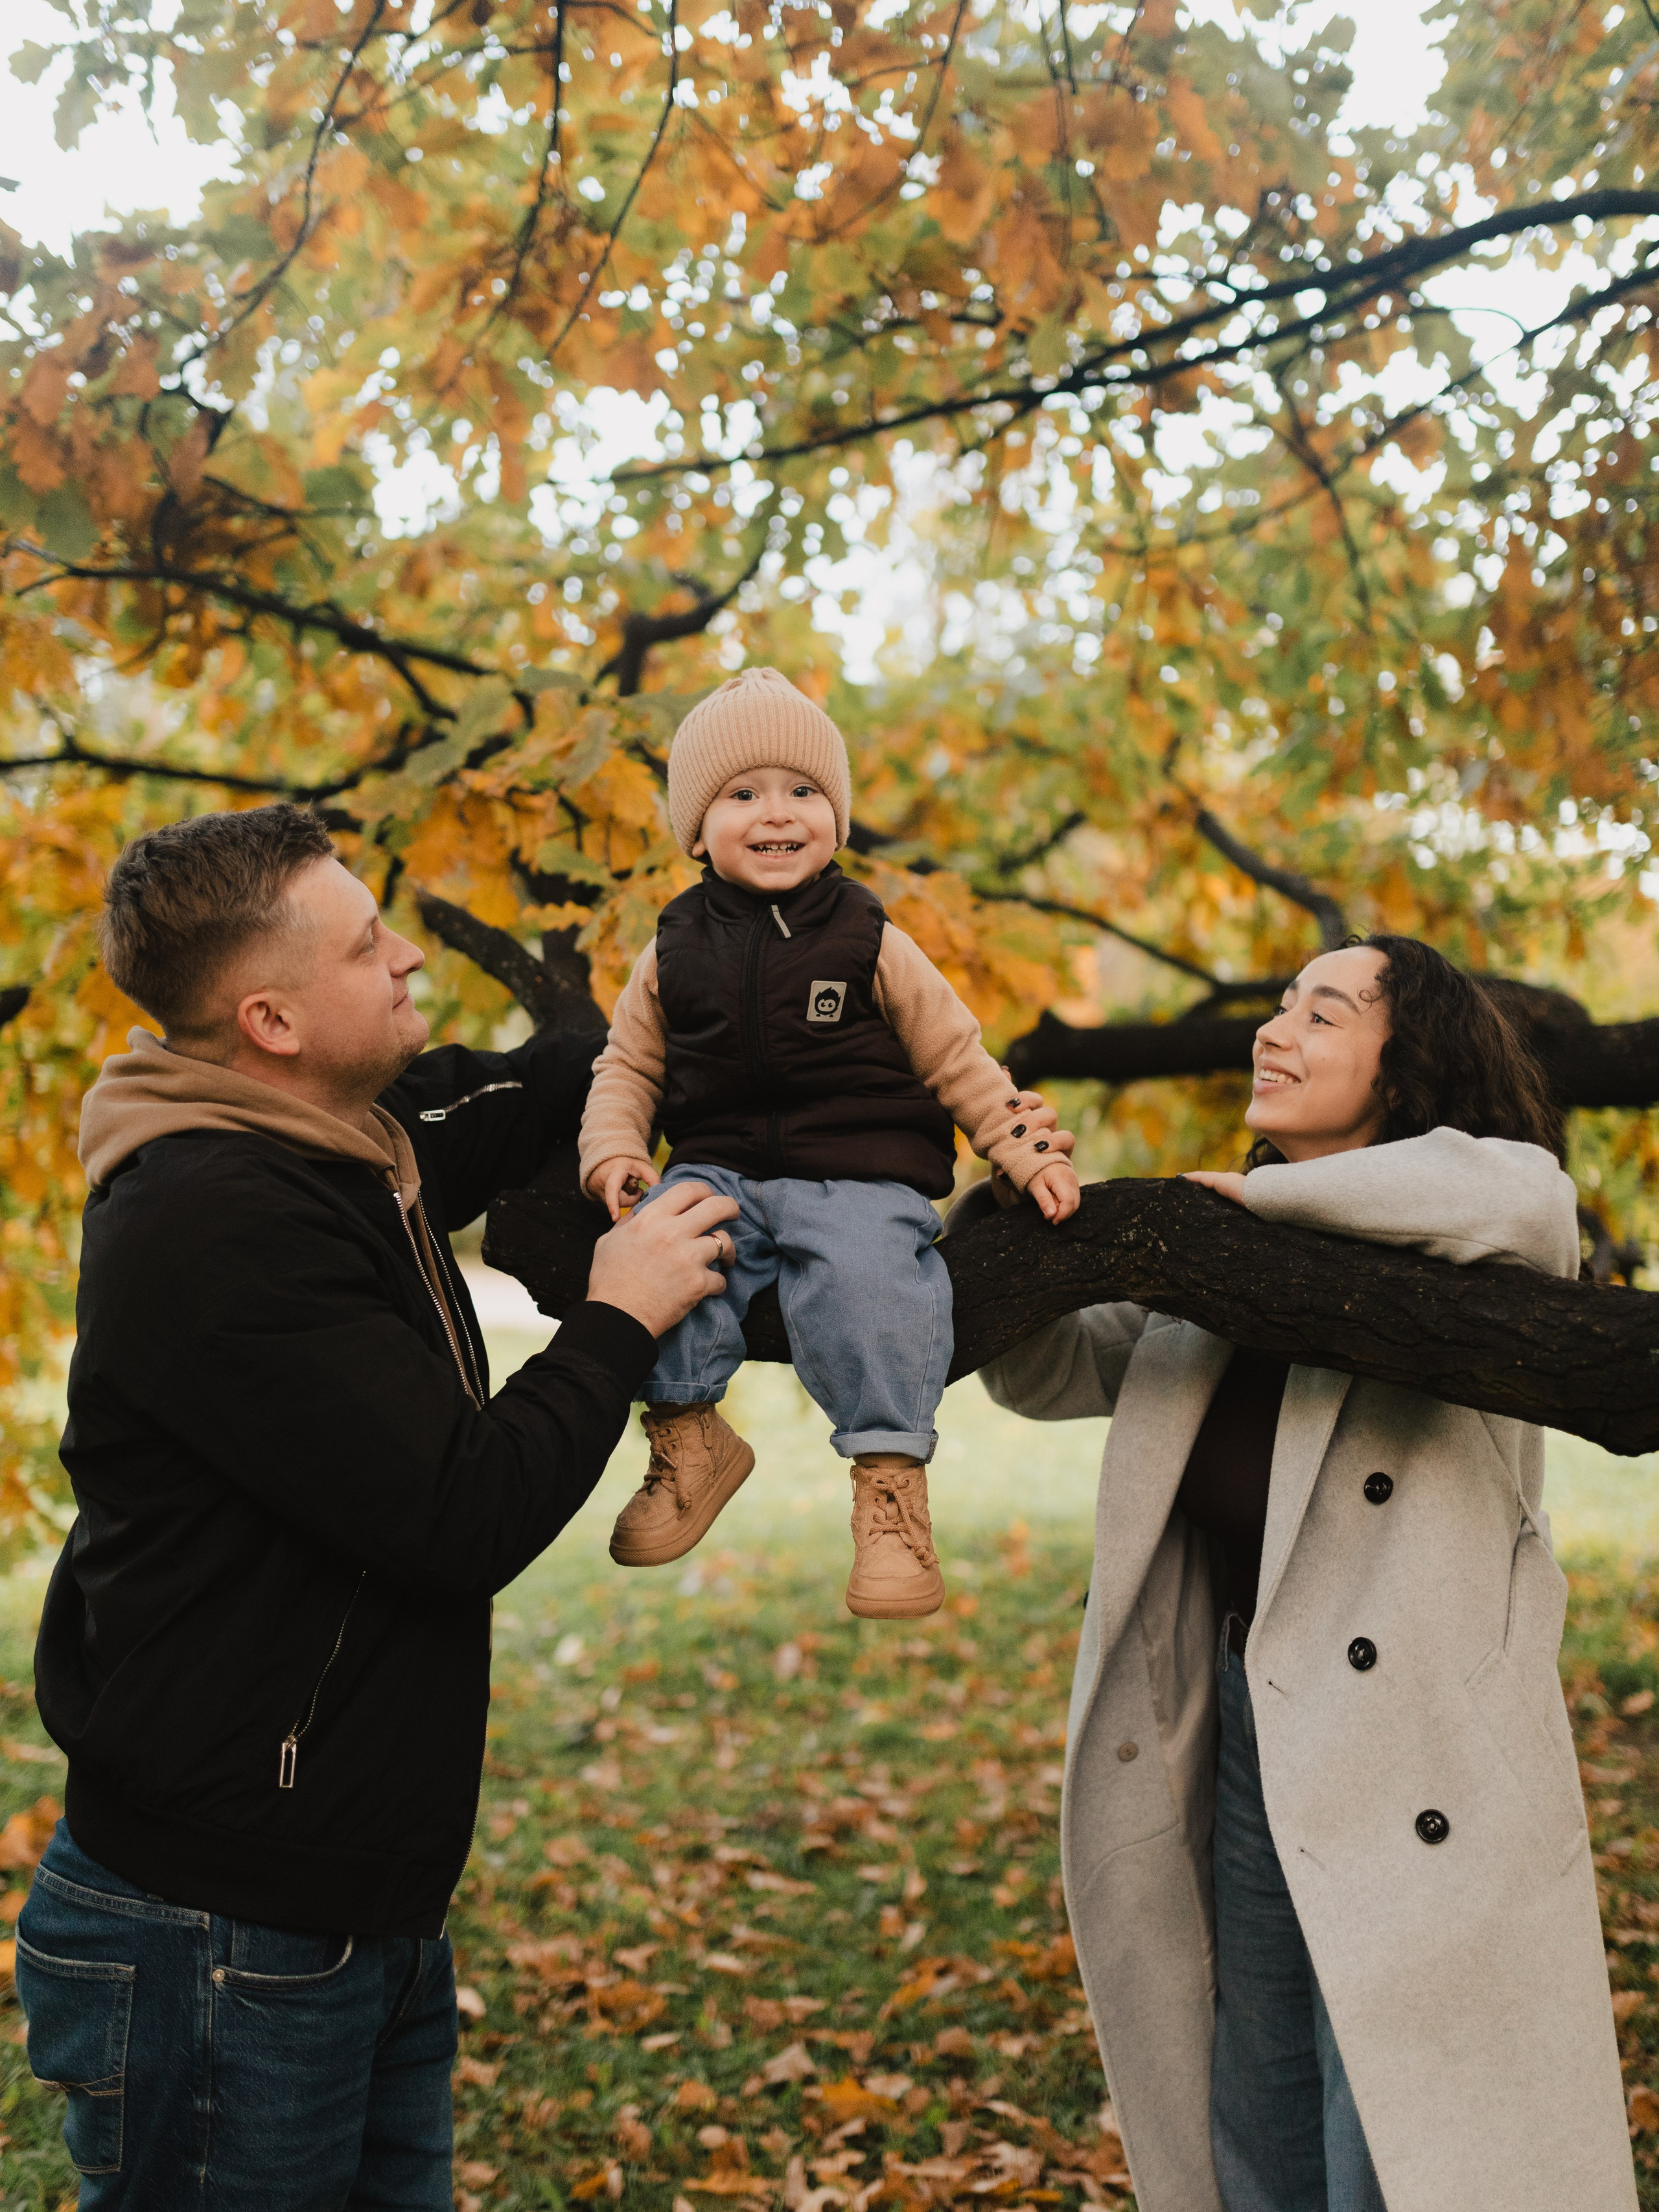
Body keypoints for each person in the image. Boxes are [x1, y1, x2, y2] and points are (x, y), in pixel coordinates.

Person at [19, 802, 740, 2209]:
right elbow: (460, 1511)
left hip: (346, 1910)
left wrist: (707, 989)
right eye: (367, 946)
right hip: (220, 1930)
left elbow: (526, 1092)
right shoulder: (216, 1219)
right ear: (272, 1020)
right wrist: (616, 1319)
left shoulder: (343, 1136)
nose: (407, 956)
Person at [979, 935, 1636, 2212]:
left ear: (1406, 1068)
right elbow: (1042, 1369)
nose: (1270, 1033)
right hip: (1247, 1715)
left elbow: (1520, 1200)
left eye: (1318, 1015)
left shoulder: (1469, 1226)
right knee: (1261, 2084)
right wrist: (1022, 1197)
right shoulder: (1205, 1258)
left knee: (1395, 2129)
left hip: (1418, 1745)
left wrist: (1227, 1210)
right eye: (1274, 1006)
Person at [576, 666, 1081, 1619]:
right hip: (721, 1164)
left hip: (860, 1167)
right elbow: (628, 1068)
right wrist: (614, 1153)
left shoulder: (869, 936)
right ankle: (688, 1434)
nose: (778, 812)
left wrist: (1026, 1150)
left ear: (836, 818)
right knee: (663, 1244)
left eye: (804, 790)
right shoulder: (671, 947)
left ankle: (890, 1486)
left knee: (867, 1277)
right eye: (743, 793)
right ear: (696, 827)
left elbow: (960, 1058)